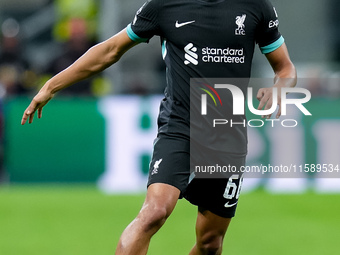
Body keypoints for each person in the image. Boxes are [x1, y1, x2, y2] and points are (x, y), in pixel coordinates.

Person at [22, 0, 297, 254]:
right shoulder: (165, 5)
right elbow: (110, 50)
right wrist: (51, 85)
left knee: (210, 243)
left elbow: (285, 68)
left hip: (228, 134)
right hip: (180, 126)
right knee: (154, 212)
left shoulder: (256, 6)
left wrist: (280, 87)